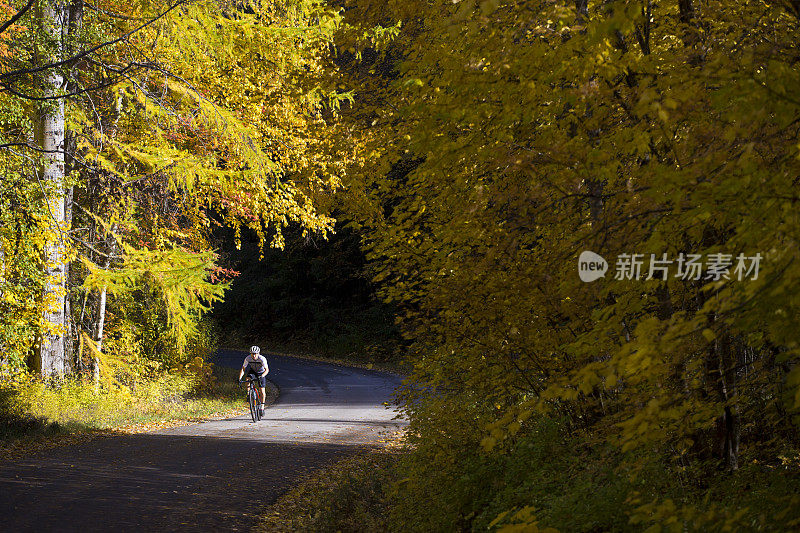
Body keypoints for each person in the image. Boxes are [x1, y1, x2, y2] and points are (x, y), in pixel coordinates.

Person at [239, 346, 269, 416]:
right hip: (253, 371)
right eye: (252, 353)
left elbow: (267, 370)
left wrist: (262, 376)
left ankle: (262, 407)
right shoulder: (248, 358)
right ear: (250, 353)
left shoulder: (262, 359)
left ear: (258, 353)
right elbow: (243, 369)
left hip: (261, 373)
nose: (254, 355)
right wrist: (240, 378)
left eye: (255, 353)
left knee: (262, 391)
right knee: (247, 378)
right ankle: (249, 393)